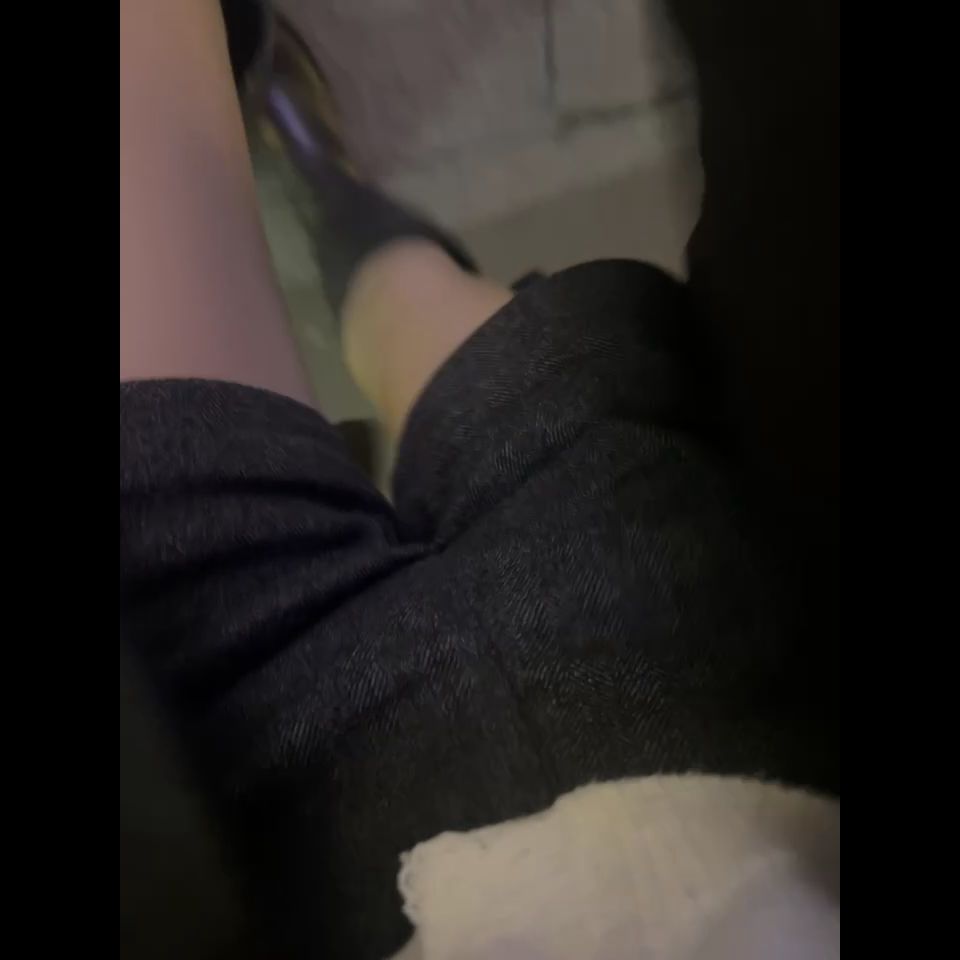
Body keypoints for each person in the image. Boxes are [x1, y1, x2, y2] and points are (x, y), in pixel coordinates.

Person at [120, 1, 839, 958]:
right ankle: (322, 174)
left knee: (460, 360)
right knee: (486, 354)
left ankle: (310, 159)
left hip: (272, 835)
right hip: (730, 727)